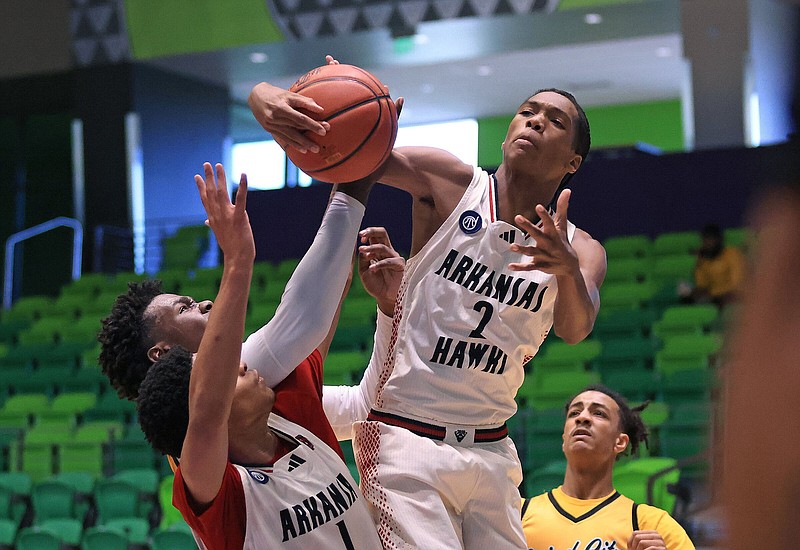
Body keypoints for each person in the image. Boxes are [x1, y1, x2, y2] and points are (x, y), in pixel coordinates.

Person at [249, 60, 607, 549]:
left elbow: (575, 328)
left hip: (491, 446)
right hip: (405, 438)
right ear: (506, 136)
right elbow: (348, 153)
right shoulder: (452, 183)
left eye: (555, 121)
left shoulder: (581, 249)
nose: (536, 121)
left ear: (573, 163)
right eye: (527, 112)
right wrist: (263, 95)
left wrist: (564, 270)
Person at [135, 162, 384, 548]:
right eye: (184, 309)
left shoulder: (280, 394)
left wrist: (353, 168)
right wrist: (237, 261)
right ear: (163, 353)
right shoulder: (215, 485)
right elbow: (207, 408)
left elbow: (321, 297)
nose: (241, 364)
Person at [520, 385, 695, 550]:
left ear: (620, 442)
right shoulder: (516, 515)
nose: (583, 417)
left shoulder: (653, 525)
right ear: (564, 438)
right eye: (574, 413)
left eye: (599, 413)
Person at [680, 223, 746, 308]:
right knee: (686, 300)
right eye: (705, 240)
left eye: (711, 240)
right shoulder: (703, 260)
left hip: (733, 296)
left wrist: (712, 293)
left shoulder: (732, 254)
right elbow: (702, 285)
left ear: (719, 240)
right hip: (713, 298)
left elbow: (737, 284)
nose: (707, 244)